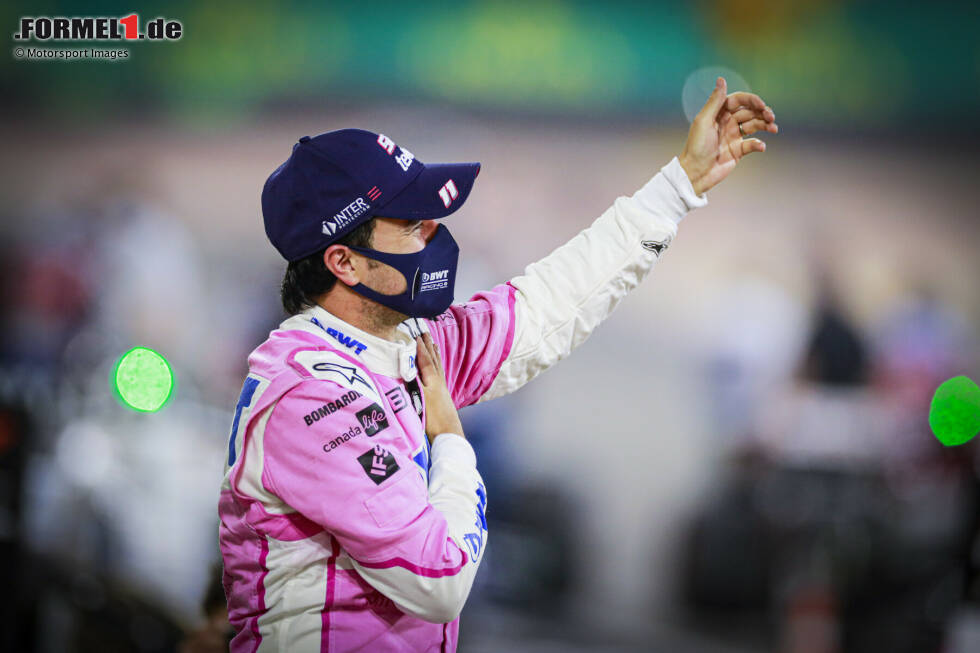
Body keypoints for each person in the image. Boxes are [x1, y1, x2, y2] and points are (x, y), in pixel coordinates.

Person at [218, 77, 777, 652]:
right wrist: (453, 444)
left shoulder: (407, 347)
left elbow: (545, 306)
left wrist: (678, 185)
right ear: (344, 261)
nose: (434, 234)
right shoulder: (308, 393)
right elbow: (438, 576)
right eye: (412, 225)